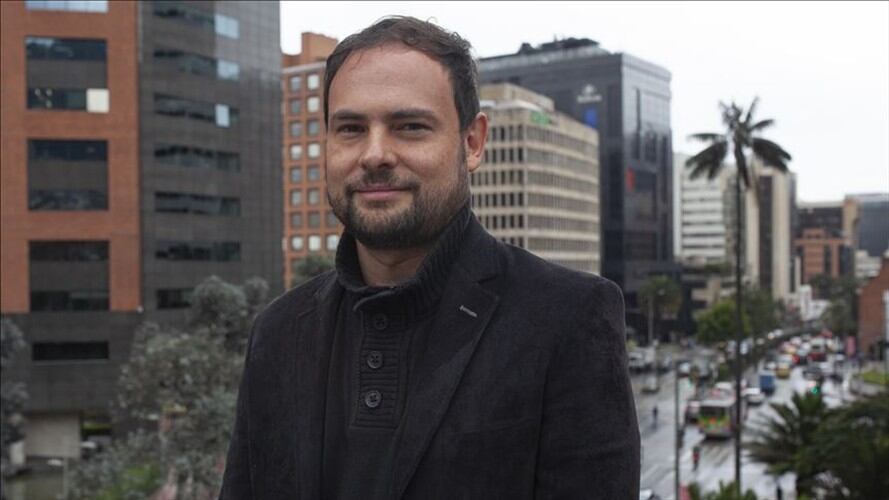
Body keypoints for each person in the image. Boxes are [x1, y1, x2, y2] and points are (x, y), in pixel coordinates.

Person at [219, 16, 639, 499]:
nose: (375, 154)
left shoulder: (568, 317)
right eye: (351, 128)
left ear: (472, 142)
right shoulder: (278, 331)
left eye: (410, 127)